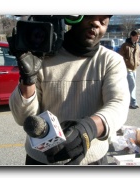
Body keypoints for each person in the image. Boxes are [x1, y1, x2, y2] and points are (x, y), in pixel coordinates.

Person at [9, 15, 130, 165]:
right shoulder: (41, 58)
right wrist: (28, 79)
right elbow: (23, 118)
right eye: (91, 16)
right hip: (42, 160)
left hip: (91, 159)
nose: (96, 23)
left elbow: (118, 104)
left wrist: (89, 128)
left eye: (103, 21)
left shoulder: (111, 60)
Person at [119, 30, 140, 109]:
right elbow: (120, 56)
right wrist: (126, 62)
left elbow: (139, 55)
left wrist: (138, 62)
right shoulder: (125, 45)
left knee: (131, 86)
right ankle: (133, 102)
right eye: (137, 36)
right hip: (128, 69)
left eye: (139, 36)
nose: (138, 38)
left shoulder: (137, 45)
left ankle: (127, 101)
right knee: (132, 85)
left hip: (134, 68)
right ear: (132, 36)